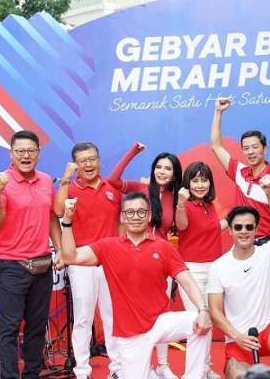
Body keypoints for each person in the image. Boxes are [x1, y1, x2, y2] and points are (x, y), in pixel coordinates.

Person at [60, 192, 212, 379]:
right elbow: (70, 256)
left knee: (200, 322)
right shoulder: (107, 246)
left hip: (161, 321)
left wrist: (203, 309)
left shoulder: (163, 247)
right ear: (123, 217)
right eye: (130, 213)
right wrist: (67, 221)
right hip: (130, 334)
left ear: (148, 216)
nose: (136, 217)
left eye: (141, 212)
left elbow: (187, 280)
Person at [207, 175, 270, 379]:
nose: (244, 231)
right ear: (230, 231)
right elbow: (215, 312)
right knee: (237, 375)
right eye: (238, 227)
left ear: (256, 229)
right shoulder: (218, 266)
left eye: (249, 227)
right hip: (239, 340)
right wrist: (237, 336)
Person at [0, 130, 63, 379]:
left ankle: (32, 373)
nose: (26, 155)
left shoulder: (44, 180)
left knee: (37, 325)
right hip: (10, 264)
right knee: (9, 327)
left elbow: (52, 218)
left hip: (42, 262)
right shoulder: (0, 182)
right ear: (11, 154)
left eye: (31, 150)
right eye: (20, 151)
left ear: (39, 153)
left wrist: (60, 248)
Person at [108, 144, 183, 378]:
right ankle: (136, 366)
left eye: (167, 168)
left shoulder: (176, 196)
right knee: (132, 314)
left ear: (174, 174)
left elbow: (181, 227)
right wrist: (132, 152)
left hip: (161, 259)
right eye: (158, 167)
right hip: (131, 258)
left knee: (162, 313)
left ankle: (162, 365)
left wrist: (180, 202)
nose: (162, 171)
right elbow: (112, 180)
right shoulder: (141, 187)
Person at [53, 142, 121, 378]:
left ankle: (117, 368)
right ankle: (82, 370)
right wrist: (65, 177)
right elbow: (58, 211)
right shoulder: (70, 188)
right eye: (83, 161)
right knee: (83, 317)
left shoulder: (112, 188)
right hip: (81, 261)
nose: (89, 164)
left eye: (92, 159)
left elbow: (122, 222)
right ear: (75, 164)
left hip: (111, 261)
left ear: (99, 160)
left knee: (112, 316)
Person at [175, 161, 223, 378]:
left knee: (209, 320)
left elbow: (210, 230)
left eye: (204, 180)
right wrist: (181, 204)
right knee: (198, 320)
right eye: (195, 180)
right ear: (187, 183)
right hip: (191, 270)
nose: (200, 185)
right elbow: (182, 226)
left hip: (214, 268)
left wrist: (230, 220)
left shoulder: (210, 206)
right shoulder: (185, 204)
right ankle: (192, 374)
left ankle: (204, 367)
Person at [210, 97, 270, 242]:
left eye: (255, 147)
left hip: (268, 242)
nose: (250, 152)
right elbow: (216, 146)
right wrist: (218, 112)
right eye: (246, 148)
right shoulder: (239, 172)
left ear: (265, 149)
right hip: (242, 241)